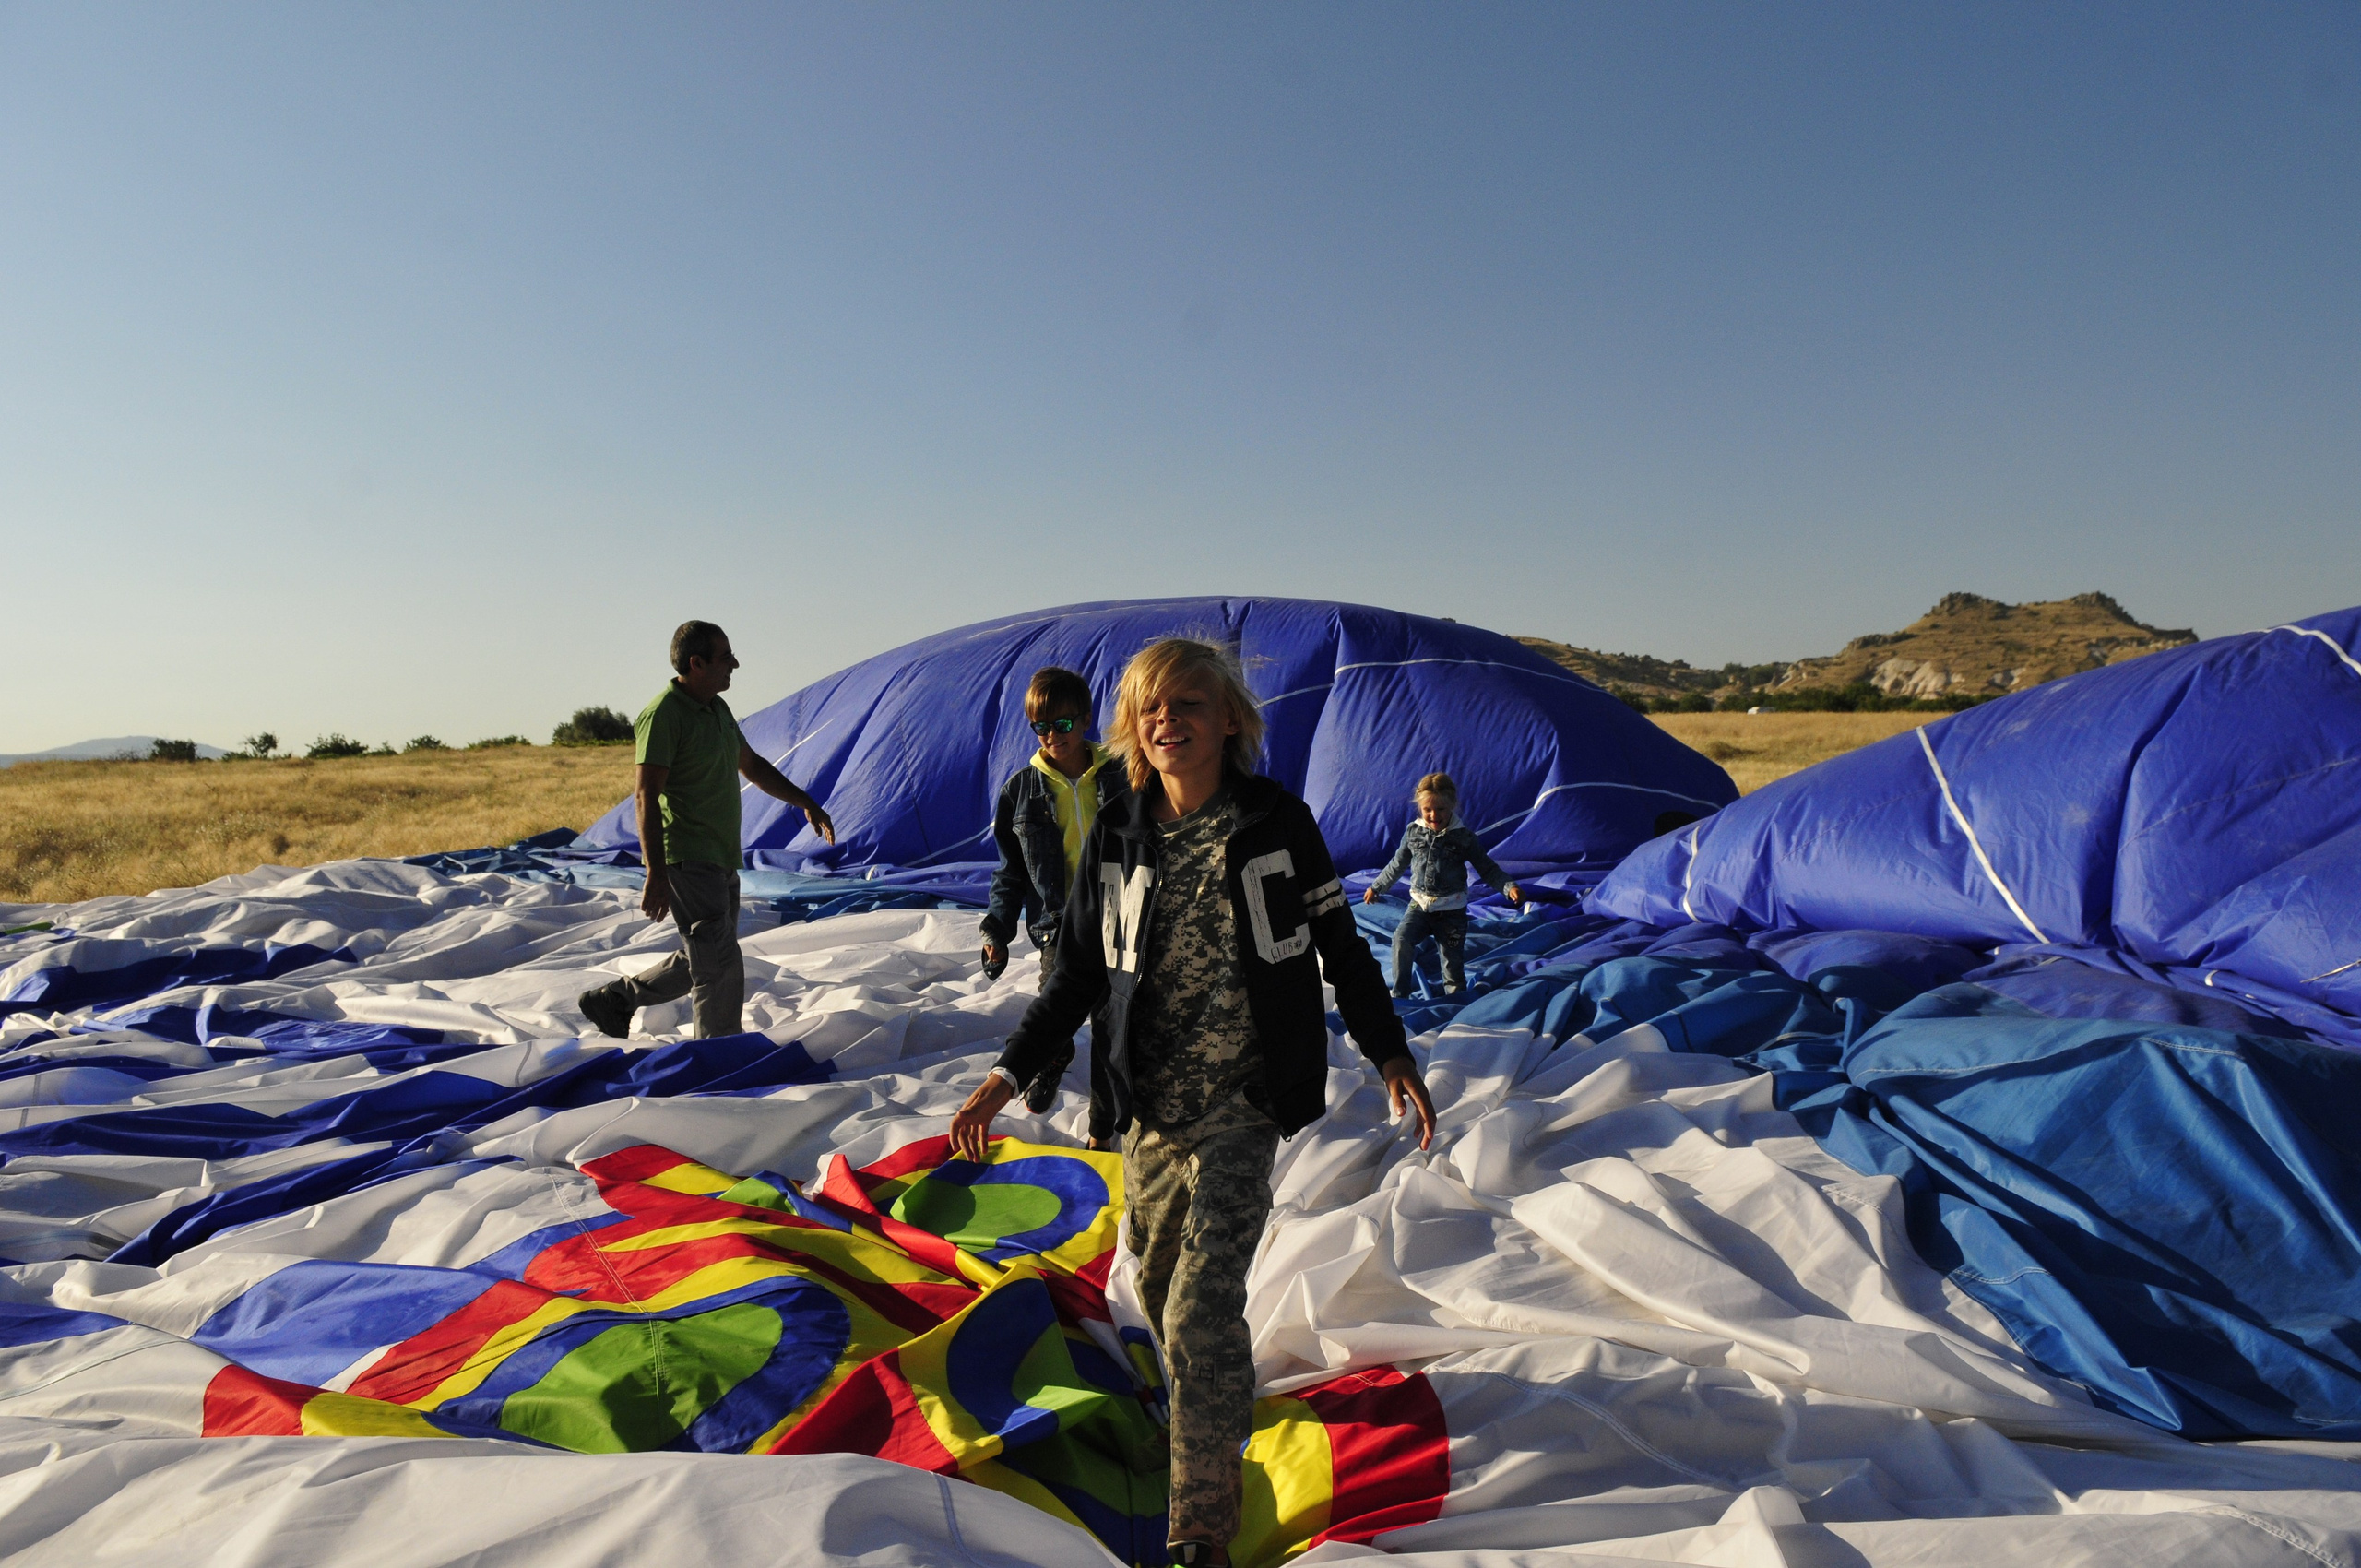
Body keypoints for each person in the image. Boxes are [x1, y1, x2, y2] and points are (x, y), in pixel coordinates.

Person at [950, 637, 1435, 1568]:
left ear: (1228, 721)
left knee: (1202, 1307)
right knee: (1162, 1278)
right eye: (1151, 708)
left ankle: (1197, 1526)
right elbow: (1079, 973)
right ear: (1131, 726)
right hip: (1147, 1107)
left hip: (1242, 1102)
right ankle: (1206, 1405)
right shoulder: (1120, 831)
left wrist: (1388, 1048)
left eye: (1189, 704)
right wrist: (1006, 1073)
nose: (1169, 720)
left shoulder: (1273, 821)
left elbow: (1340, 944)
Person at [576, 621, 836, 1040]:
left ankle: (614, 1000)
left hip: (721, 855)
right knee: (719, 963)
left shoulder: (716, 709)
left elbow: (751, 766)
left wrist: (805, 801)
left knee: (706, 955)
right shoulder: (662, 715)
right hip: (687, 855)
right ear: (696, 663)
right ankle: (716, 1057)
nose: (735, 663)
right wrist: (656, 873)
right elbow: (645, 795)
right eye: (725, 656)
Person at [979, 666, 1130, 1111]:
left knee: (1114, 1020)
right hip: (1061, 921)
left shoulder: (1123, 774)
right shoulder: (1020, 791)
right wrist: (997, 931)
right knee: (1055, 1005)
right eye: (1041, 727)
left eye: (1062, 724)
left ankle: (1107, 1122)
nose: (1052, 736)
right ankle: (1054, 1053)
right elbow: (1010, 872)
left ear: (1085, 720)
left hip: (1122, 911)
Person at [1362, 771, 1522, 996]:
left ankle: (1455, 999)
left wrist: (1508, 887)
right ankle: (1400, 993)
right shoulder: (1414, 832)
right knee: (1401, 940)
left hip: (1451, 912)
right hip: (1420, 905)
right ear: (1420, 808)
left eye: (1441, 809)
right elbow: (1397, 864)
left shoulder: (1463, 838)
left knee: (1451, 965)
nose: (1434, 815)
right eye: (1428, 809)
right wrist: (1377, 887)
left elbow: (1487, 868)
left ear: (1452, 806)